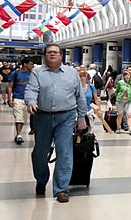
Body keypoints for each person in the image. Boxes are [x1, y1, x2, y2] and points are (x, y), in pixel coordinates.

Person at [25, 44, 88, 203]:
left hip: (66, 117)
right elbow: (31, 90)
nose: (52, 55)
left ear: (61, 55)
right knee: (40, 153)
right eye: (49, 52)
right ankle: (41, 180)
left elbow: (80, 96)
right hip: (43, 116)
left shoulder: (71, 73)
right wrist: (31, 101)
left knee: (64, 152)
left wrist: (81, 117)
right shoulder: (37, 73)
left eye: (55, 52)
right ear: (45, 56)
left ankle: (61, 189)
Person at [5, 57, 35, 144]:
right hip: (17, 98)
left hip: (28, 100)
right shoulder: (15, 73)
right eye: (30, 63)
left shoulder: (33, 74)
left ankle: (19, 133)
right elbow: (10, 87)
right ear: (25, 64)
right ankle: (19, 135)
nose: (32, 65)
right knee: (19, 117)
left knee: (24, 118)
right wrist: (9, 99)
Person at [114, 66, 131, 136]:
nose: (127, 76)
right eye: (125, 75)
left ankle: (130, 129)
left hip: (129, 100)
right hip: (120, 100)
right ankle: (118, 128)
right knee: (120, 114)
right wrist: (118, 97)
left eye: (128, 75)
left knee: (129, 115)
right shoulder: (120, 82)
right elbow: (116, 91)